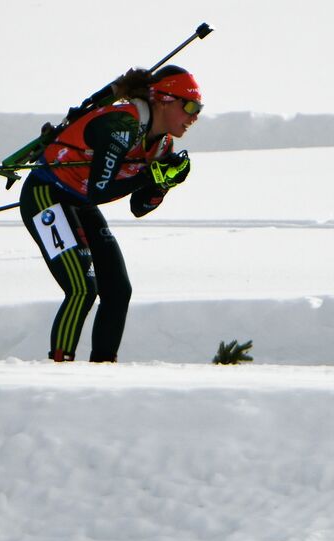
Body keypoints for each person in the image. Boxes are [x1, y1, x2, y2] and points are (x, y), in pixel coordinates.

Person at [19, 65, 202, 362]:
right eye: (190, 106)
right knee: (82, 288)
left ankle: (102, 372)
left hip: (78, 200)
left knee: (118, 290)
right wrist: (148, 178)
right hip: (46, 193)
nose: (194, 117)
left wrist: (163, 185)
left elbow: (138, 207)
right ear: (163, 100)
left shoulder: (163, 143)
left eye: (199, 109)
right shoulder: (122, 124)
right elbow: (99, 191)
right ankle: (57, 369)